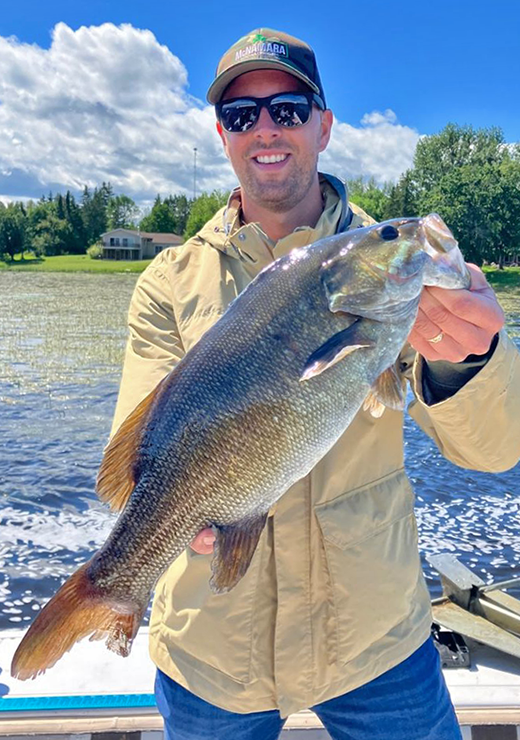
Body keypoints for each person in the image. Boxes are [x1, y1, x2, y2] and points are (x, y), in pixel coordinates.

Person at [110, 28, 520, 740]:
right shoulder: (166, 284)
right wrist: (157, 542)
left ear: (324, 126)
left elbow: (492, 451)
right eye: (242, 115)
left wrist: (470, 358)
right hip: (213, 651)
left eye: (289, 108)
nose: (265, 128)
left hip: (375, 641)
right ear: (223, 134)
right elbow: (141, 459)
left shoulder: (384, 272)